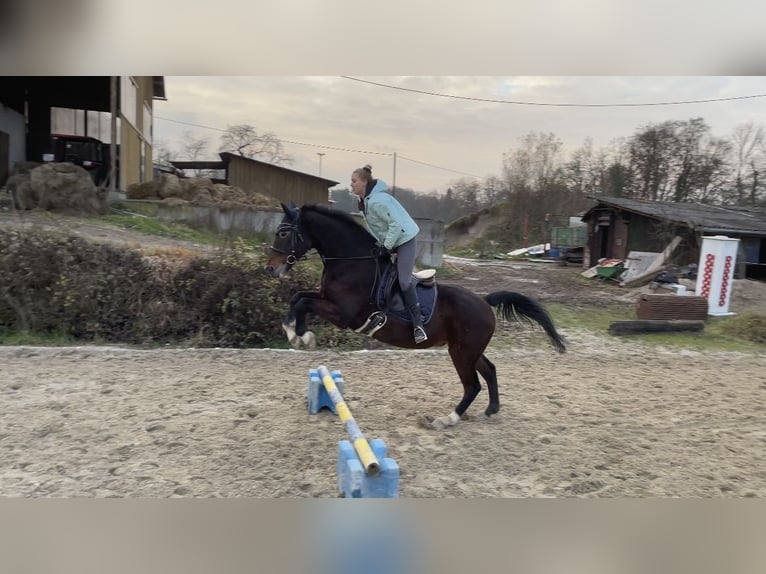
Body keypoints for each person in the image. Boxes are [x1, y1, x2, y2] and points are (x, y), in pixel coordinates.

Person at [350, 164, 428, 344]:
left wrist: (386, 246)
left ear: (364, 182)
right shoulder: (365, 202)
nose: (351, 185)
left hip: (405, 240)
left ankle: (419, 325)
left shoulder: (378, 201)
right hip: (392, 241)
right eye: (351, 182)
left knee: (404, 281)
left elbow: (396, 224)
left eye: (354, 181)